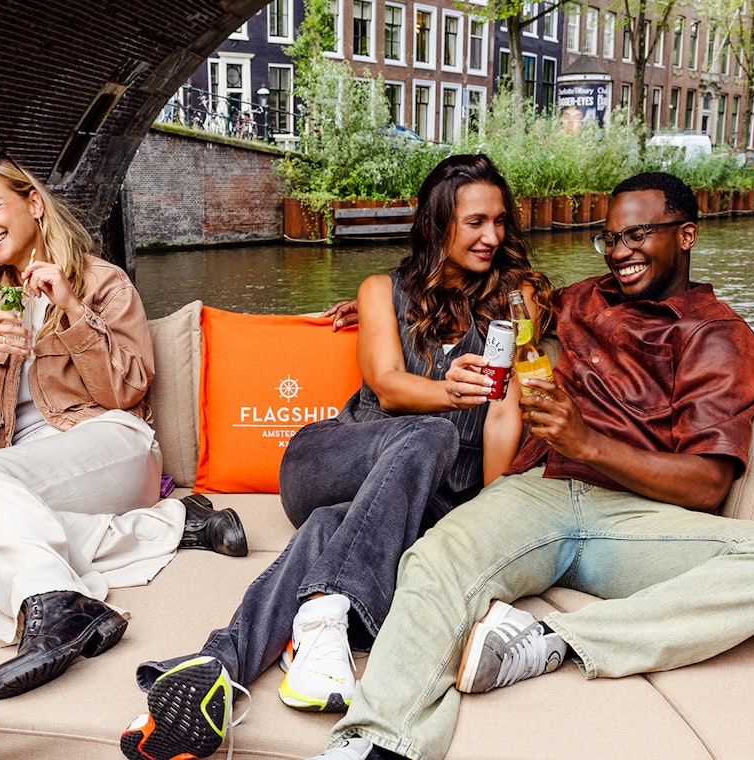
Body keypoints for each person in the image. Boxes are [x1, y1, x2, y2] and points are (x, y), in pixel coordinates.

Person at [306, 172, 754, 760]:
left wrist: (589, 444)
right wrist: (385, 305)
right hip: (538, 490)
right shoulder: (584, 298)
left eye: (638, 234)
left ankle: (554, 641)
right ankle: (374, 743)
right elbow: (494, 305)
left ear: (685, 235)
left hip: (636, 520)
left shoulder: (718, 338)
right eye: (609, 239)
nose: (620, 253)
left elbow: (709, 485)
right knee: (434, 560)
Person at [119, 154, 553, 760]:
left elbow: (507, 408)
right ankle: (326, 623)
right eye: (475, 222)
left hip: (417, 502)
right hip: (334, 459)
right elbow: (388, 381)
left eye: (500, 221)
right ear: (436, 225)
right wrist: (451, 393)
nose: (493, 236)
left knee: (334, 528)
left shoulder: (515, 298)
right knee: (430, 435)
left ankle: (221, 663)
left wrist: (486, 511)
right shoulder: (380, 290)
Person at [0, 155, 248, 701]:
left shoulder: (101, 281)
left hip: (114, 441)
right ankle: (177, 526)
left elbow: (127, 390)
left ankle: (57, 606)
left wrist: (71, 308)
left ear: (33, 204)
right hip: (34, 467)